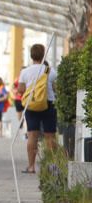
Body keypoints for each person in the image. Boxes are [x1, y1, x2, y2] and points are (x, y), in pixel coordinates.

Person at [17, 43, 58, 174]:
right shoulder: (50, 71)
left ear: (31, 55)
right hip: (48, 104)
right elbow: (57, 88)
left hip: (32, 104)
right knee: (50, 137)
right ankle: (52, 167)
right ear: (43, 55)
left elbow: (21, 90)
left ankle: (31, 166)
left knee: (32, 136)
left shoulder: (25, 72)